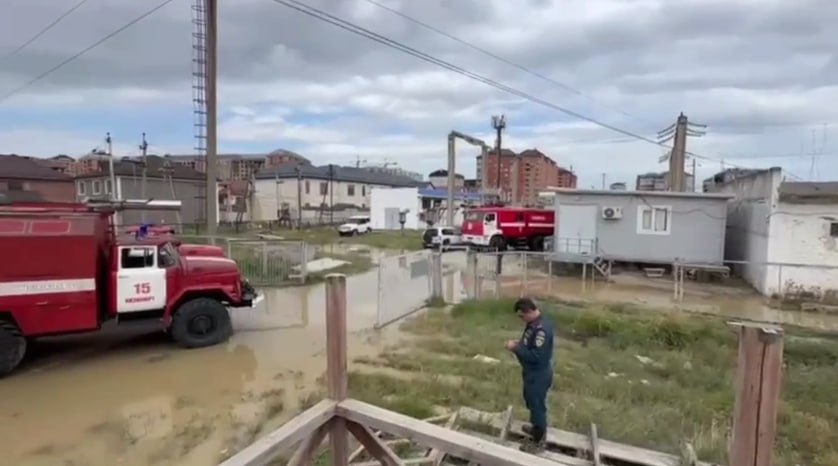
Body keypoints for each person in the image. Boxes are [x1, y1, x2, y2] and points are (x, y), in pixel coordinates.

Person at [504, 297, 554, 453]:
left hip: (538, 374)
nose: (521, 319)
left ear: (529, 312)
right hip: (531, 373)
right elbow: (529, 344)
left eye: (521, 316)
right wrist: (520, 344)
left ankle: (538, 442)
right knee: (531, 402)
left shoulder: (541, 330)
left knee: (537, 406)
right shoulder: (533, 324)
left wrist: (515, 349)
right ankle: (536, 429)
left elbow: (536, 356)